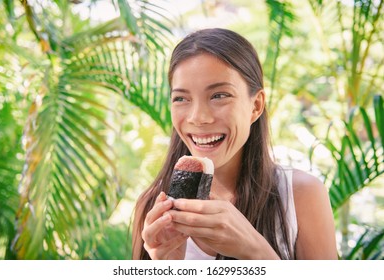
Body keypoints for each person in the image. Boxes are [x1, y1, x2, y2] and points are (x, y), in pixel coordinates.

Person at [131, 28, 338, 260]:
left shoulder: (300, 194)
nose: (198, 117)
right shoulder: (152, 206)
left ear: (256, 106)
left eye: (219, 95)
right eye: (181, 98)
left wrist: (257, 253)